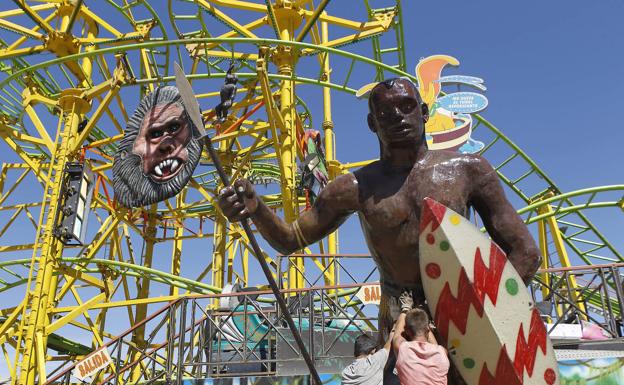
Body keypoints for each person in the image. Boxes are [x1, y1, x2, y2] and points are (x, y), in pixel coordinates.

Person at [218, 78, 541, 384]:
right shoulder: (355, 187)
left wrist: (487, 313)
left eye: (406, 106)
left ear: (424, 112)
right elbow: (291, 240)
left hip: (467, 324)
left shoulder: (468, 170)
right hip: (397, 326)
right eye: (384, 113)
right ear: (372, 124)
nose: (396, 117)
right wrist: (257, 209)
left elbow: (525, 252)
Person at [392, 291, 449, 385]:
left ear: (406, 331)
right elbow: (434, 344)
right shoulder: (441, 352)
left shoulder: (402, 348)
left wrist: (405, 308)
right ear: (428, 329)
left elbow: (397, 334)